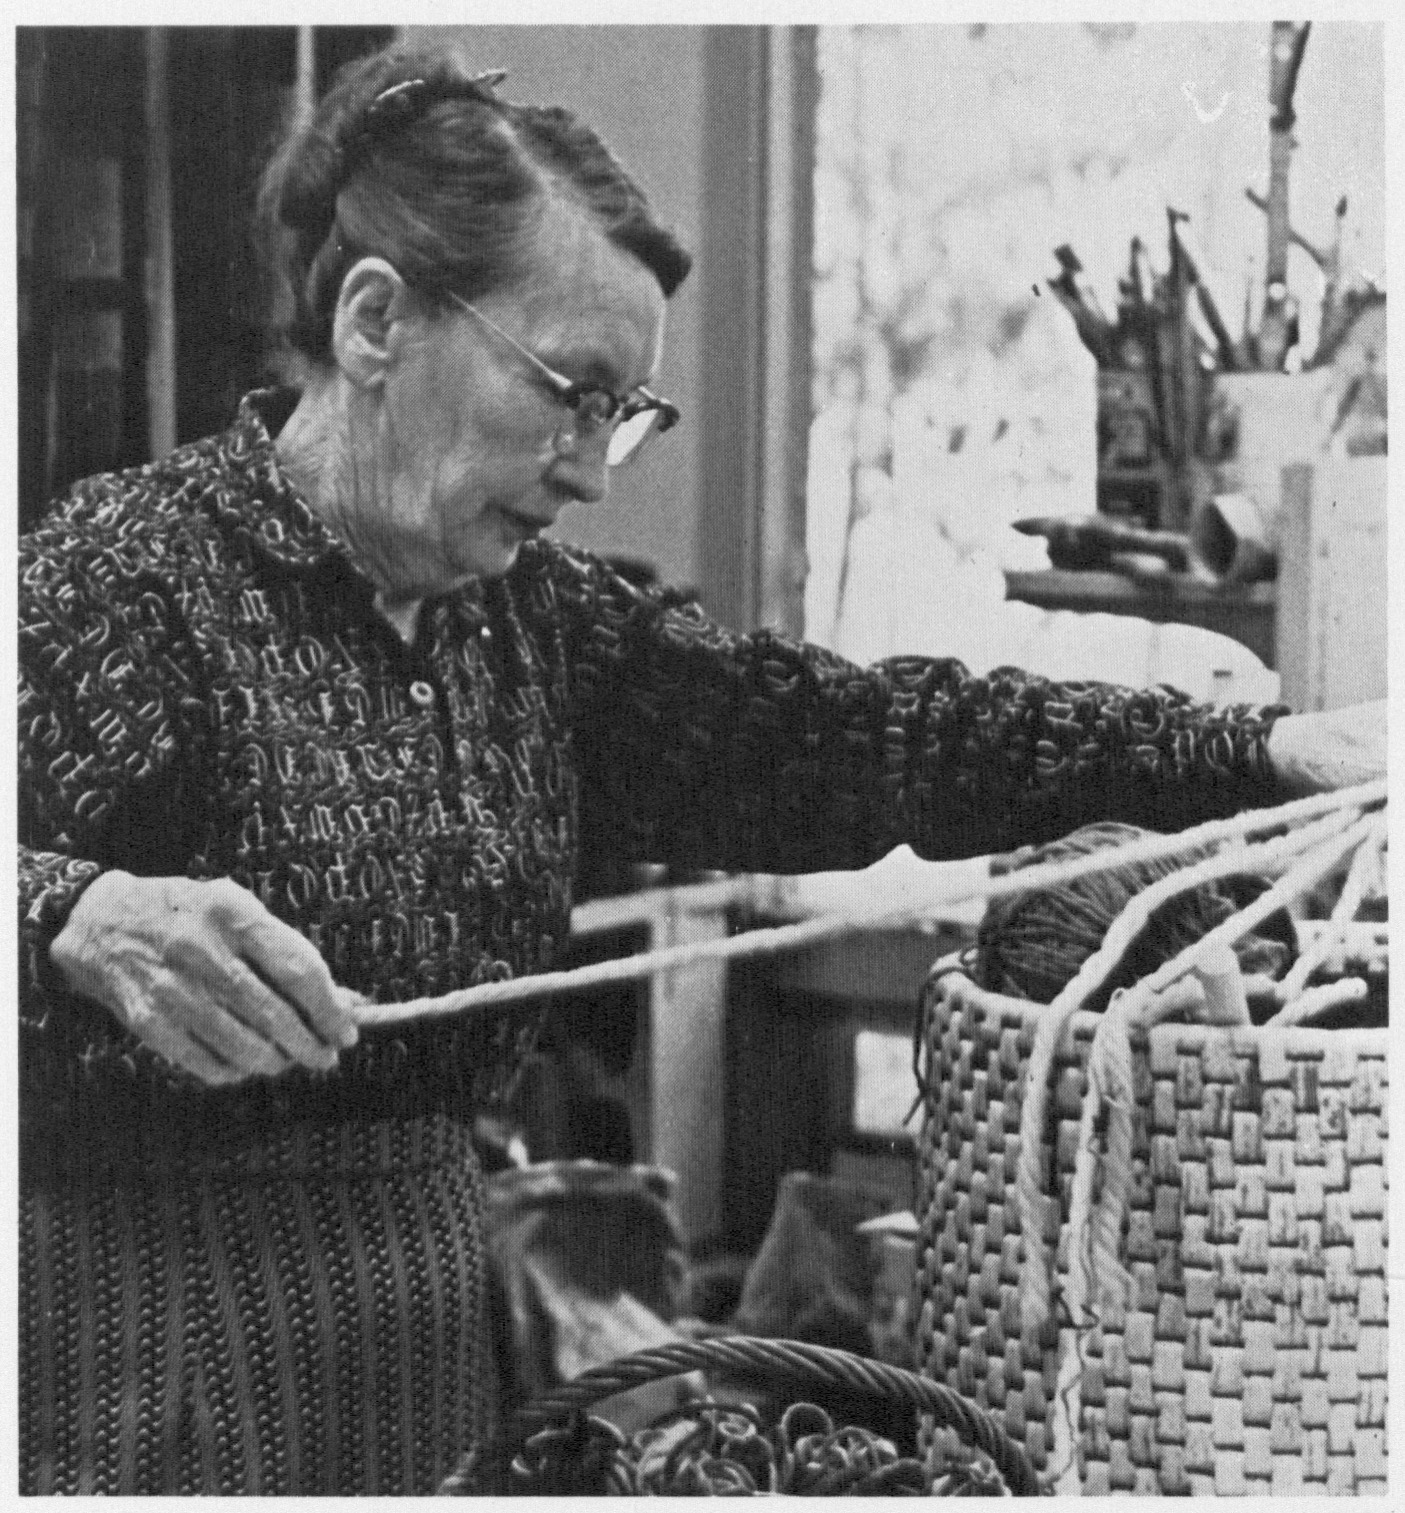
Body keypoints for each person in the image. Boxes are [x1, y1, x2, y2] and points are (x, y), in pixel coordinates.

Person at [17, 42, 1384, 1497]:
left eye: (628, 411)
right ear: (374, 321)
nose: (597, 468)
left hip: (425, 1357)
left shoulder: (535, 626)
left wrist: (1252, 751)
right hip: (126, 1374)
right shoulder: (119, 583)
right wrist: (70, 912)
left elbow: (872, 733)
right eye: (572, 388)